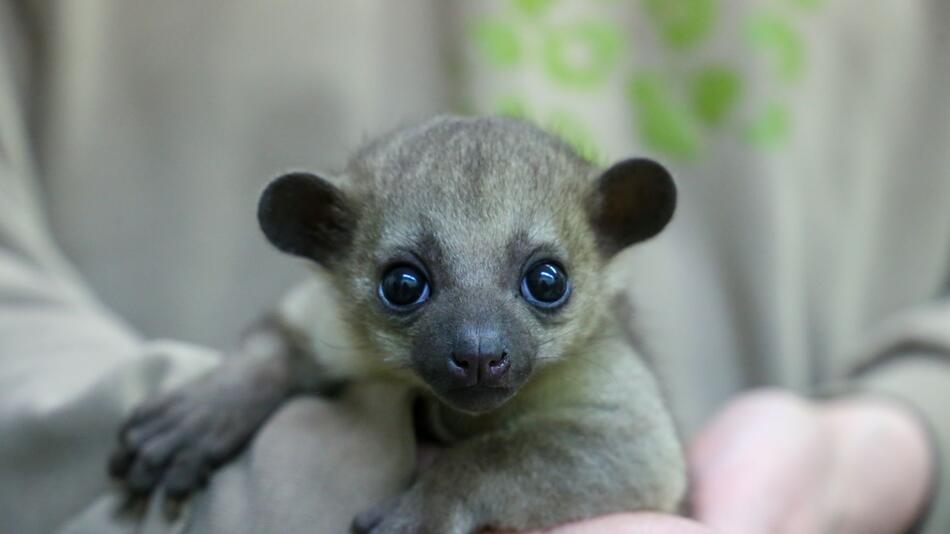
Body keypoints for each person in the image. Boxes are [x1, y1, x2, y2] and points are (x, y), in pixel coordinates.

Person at [0, 1, 946, 533]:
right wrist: (237, 398)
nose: (484, 341)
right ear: (326, 243)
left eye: (542, 285)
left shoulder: (590, 377)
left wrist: (895, 438)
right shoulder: (332, 300)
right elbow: (293, 336)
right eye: (409, 287)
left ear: (613, 233)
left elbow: (638, 463)